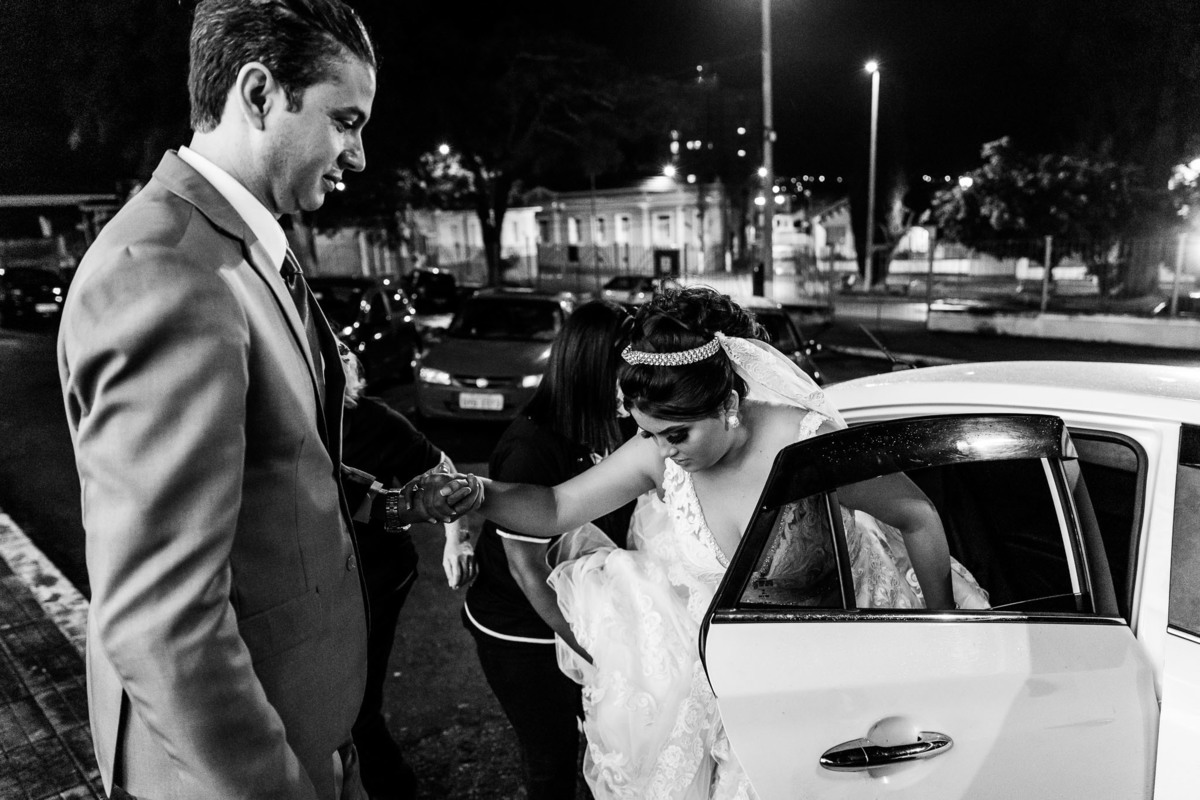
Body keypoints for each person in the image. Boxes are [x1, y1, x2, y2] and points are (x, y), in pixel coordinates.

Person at [56, 3, 472, 798]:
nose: (357, 153)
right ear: (258, 94)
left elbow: (262, 470)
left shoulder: (238, 246)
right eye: (344, 121)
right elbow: (161, 621)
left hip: (308, 728)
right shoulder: (167, 272)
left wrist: (382, 506)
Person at [464, 285, 988, 799]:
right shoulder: (657, 454)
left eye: (676, 434)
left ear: (730, 403)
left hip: (848, 662)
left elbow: (918, 517)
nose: (662, 452)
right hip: (735, 680)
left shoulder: (804, 443)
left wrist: (941, 635)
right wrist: (472, 492)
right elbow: (555, 507)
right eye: (646, 432)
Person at [461, 300, 635, 799]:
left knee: (608, 746)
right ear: (596, 367)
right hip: (525, 630)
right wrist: (593, 648)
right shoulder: (532, 446)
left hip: (594, 616)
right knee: (551, 761)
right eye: (629, 367)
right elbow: (528, 572)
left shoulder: (618, 425)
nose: (636, 379)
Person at [339, 345, 476, 800]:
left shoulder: (373, 420)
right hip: (322, 582)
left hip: (377, 577)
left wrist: (456, 538)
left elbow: (437, 477)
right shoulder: (286, 428)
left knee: (356, 707)